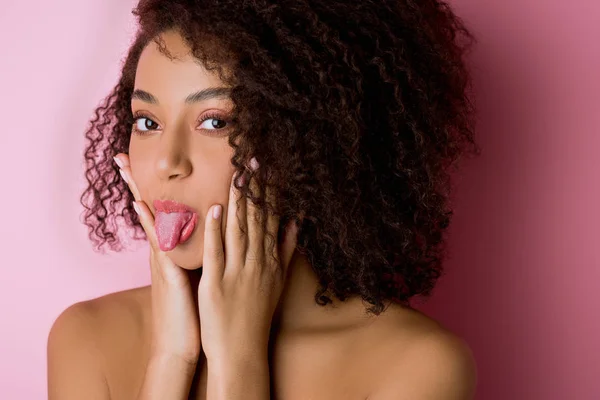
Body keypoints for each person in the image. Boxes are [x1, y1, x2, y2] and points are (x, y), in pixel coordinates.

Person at [47, 0, 481, 398]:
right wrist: (170, 359)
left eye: (214, 121)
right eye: (147, 121)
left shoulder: (415, 367)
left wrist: (238, 364)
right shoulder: (87, 339)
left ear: (309, 140)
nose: (166, 163)